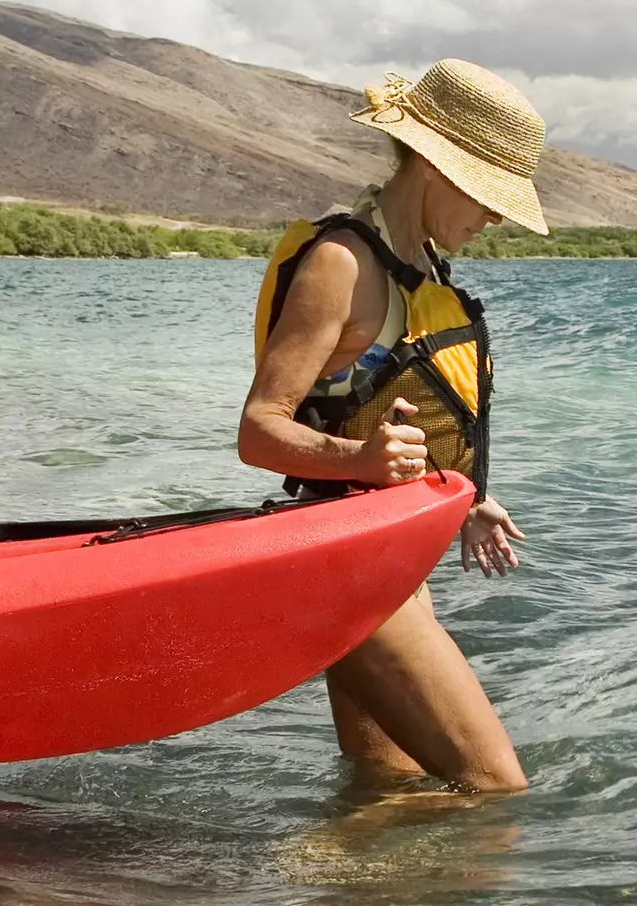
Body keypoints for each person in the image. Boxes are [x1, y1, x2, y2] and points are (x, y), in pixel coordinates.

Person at [237, 58, 548, 793]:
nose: (494, 217)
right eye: (486, 196)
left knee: (383, 785)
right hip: (342, 566)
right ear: (437, 168)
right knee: (495, 790)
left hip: (388, 562)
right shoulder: (343, 264)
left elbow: (404, 413)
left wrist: (465, 495)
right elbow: (259, 429)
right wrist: (360, 457)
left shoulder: (424, 269)